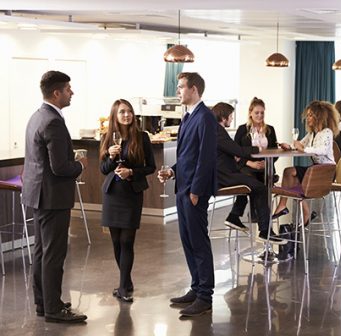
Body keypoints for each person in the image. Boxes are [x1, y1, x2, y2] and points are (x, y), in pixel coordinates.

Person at [22, 70, 88, 323]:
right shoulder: (53, 122)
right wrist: (80, 165)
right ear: (57, 92)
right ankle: (53, 308)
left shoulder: (37, 116)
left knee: (41, 252)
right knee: (53, 254)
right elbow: (60, 167)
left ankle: (44, 302)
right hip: (52, 197)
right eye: (69, 89)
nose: (72, 93)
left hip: (38, 196)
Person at [158, 72, 218, 317]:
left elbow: (205, 158)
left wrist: (196, 190)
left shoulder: (205, 117)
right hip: (182, 187)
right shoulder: (187, 117)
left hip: (194, 191)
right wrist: (171, 172)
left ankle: (205, 295)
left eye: (181, 87)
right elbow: (186, 157)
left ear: (194, 89)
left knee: (198, 242)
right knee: (187, 240)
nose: (178, 91)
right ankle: (196, 287)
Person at [99, 99, 156, 303]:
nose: (126, 115)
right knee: (115, 241)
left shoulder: (142, 137)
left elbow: (151, 167)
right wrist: (111, 157)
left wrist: (131, 171)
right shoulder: (107, 138)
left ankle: (123, 287)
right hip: (112, 193)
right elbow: (103, 169)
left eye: (129, 112)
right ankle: (126, 281)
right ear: (115, 115)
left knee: (127, 241)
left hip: (132, 193)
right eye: (122, 112)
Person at [212, 102, 286, 244]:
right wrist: (256, 150)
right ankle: (264, 231)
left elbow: (234, 150)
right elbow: (237, 151)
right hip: (225, 176)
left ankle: (238, 217)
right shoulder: (220, 131)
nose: (232, 119)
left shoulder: (216, 130)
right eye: (231, 116)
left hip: (232, 172)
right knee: (259, 187)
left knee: (257, 186)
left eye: (262, 112)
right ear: (224, 117)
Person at [273, 100, 338, 226]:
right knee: (290, 174)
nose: (307, 118)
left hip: (325, 172)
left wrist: (303, 148)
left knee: (290, 174)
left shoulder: (327, 132)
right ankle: (302, 210)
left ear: (318, 116)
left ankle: (287, 206)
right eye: (307, 115)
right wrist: (290, 146)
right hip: (315, 170)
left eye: (310, 115)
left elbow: (322, 150)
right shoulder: (312, 134)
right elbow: (300, 144)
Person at [232, 97, 280, 223]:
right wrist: (250, 163)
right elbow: (235, 152)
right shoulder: (243, 129)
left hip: (265, 167)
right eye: (257, 113)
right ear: (250, 113)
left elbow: (275, 152)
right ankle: (258, 216)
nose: (260, 115)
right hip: (247, 166)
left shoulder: (270, 129)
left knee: (264, 180)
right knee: (251, 179)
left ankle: (242, 215)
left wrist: (267, 163)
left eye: (262, 113)